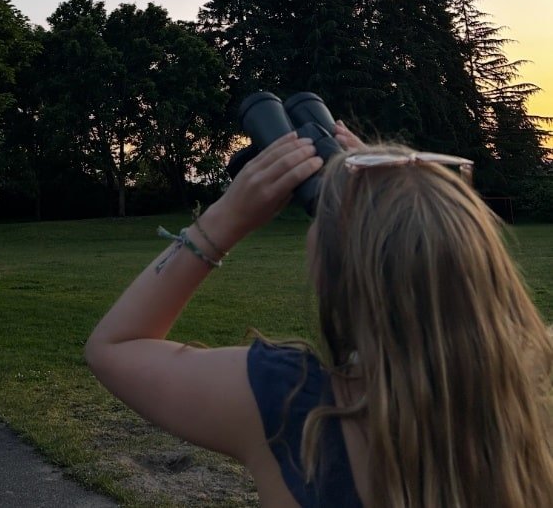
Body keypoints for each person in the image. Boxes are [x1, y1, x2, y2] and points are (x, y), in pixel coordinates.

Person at [85, 121, 553, 507]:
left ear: (336, 280)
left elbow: (115, 347)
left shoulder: (293, 406)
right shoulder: (542, 385)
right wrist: (412, 191)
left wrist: (224, 219)